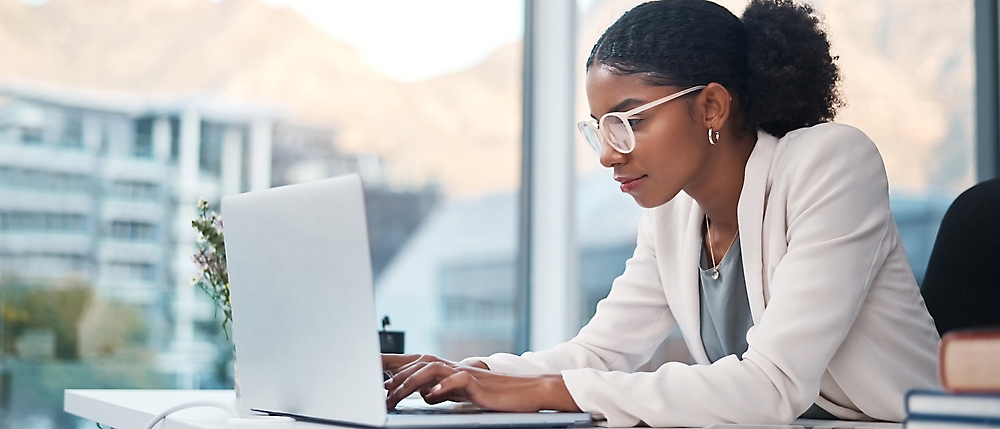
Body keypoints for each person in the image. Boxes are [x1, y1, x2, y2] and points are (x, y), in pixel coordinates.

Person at [382, 0, 941, 426]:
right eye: (598, 127)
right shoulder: (674, 213)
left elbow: (772, 386)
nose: (606, 153)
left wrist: (547, 391)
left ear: (712, 106)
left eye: (630, 121)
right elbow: (601, 352)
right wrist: (472, 374)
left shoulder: (832, 163)